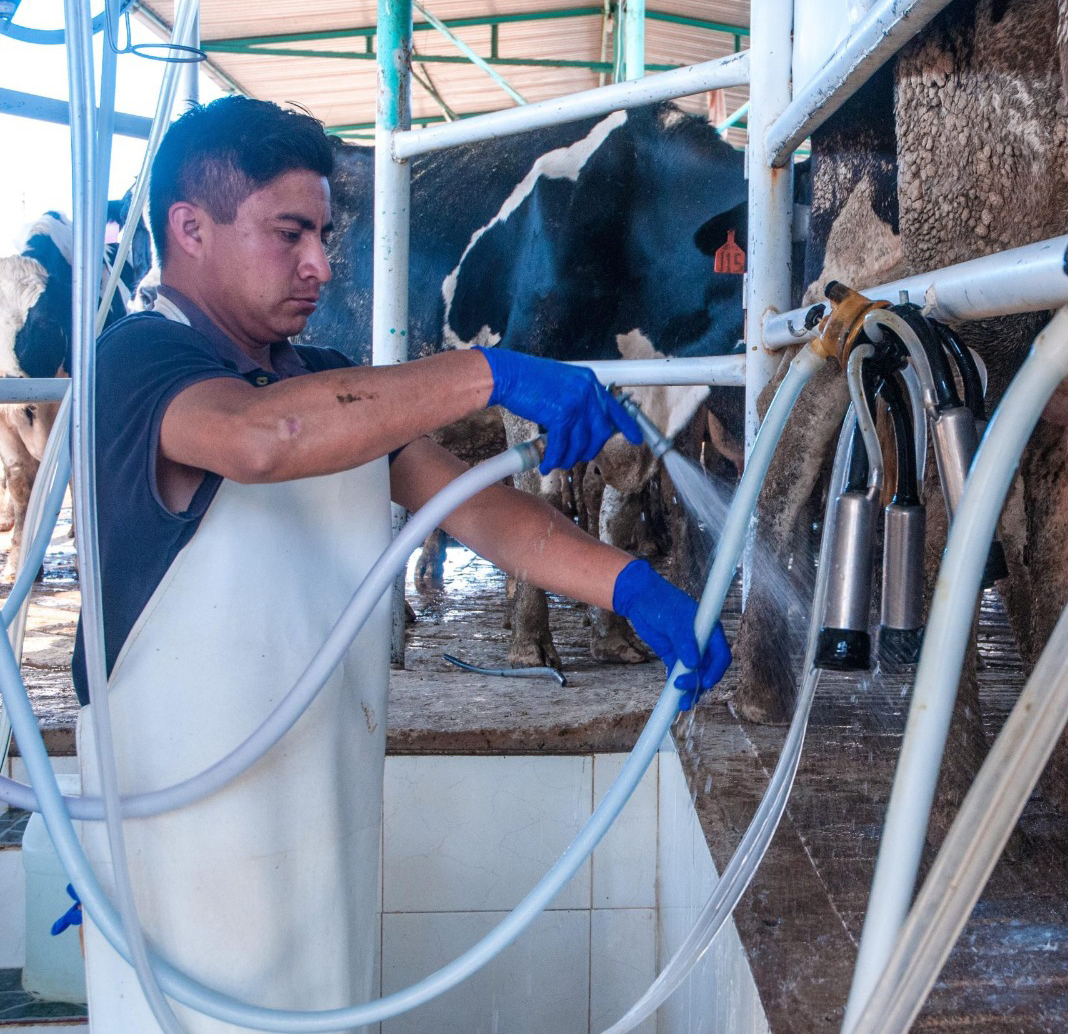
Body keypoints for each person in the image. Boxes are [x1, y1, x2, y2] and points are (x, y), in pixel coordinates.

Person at [71, 96, 730, 1032]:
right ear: (190, 229)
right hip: (182, 853)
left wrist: (625, 585)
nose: (319, 264)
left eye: (324, 235)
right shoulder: (135, 364)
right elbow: (264, 438)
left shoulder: (322, 372)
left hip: (318, 815)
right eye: (288, 233)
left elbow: (475, 506)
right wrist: (493, 372)